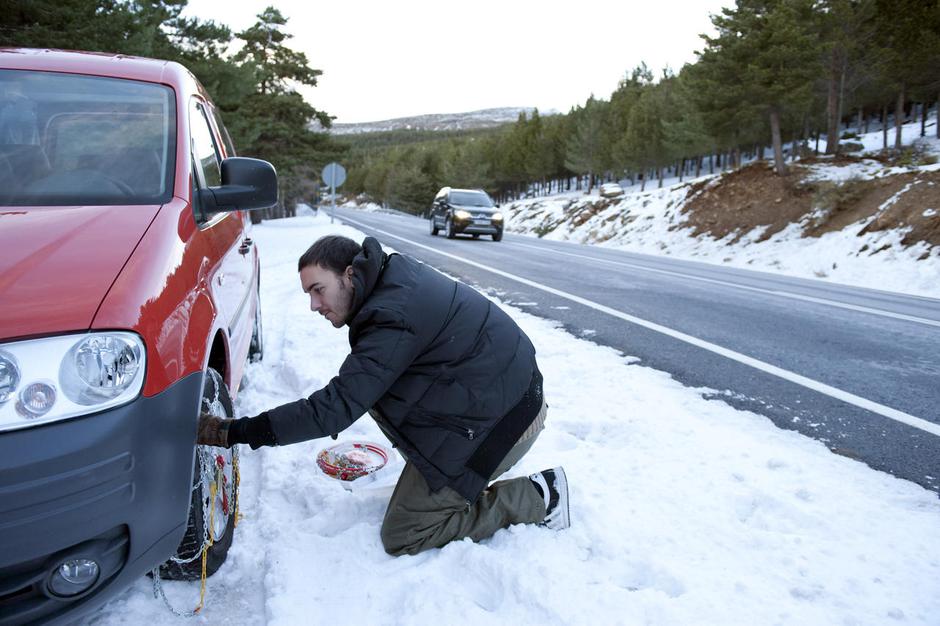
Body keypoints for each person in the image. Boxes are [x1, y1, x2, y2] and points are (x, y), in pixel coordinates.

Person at [197, 235, 569, 556]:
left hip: (507, 420)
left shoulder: (392, 317)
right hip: (499, 396)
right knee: (382, 395)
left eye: (317, 290)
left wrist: (236, 432)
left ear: (349, 274)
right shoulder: (390, 282)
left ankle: (540, 496)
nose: (313, 305)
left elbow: (334, 409)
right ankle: (455, 482)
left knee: (404, 533)